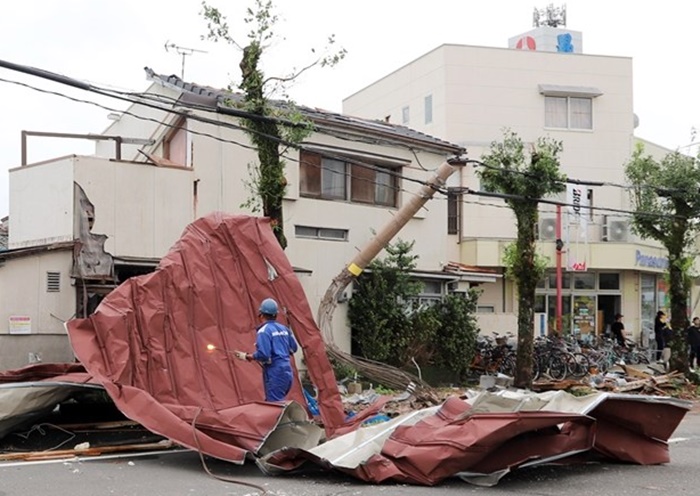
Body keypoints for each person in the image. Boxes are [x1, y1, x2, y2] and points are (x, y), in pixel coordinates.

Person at [235, 298, 298, 402]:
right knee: (280, 401)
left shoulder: (264, 331)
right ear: (276, 314)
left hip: (275, 372)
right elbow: (293, 348)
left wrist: (248, 356)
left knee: (275, 405)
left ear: (261, 314)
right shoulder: (284, 329)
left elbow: (264, 354)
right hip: (287, 371)